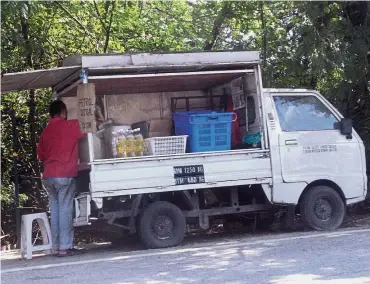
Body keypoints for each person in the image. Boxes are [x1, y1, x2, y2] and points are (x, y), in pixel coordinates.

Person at [37, 100, 86, 257]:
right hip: (64, 175)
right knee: (65, 210)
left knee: (56, 210)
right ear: (64, 111)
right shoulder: (70, 125)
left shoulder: (45, 132)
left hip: (48, 177)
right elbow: (88, 129)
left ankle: (57, 246)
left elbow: (41, 155)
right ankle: (64, 248)